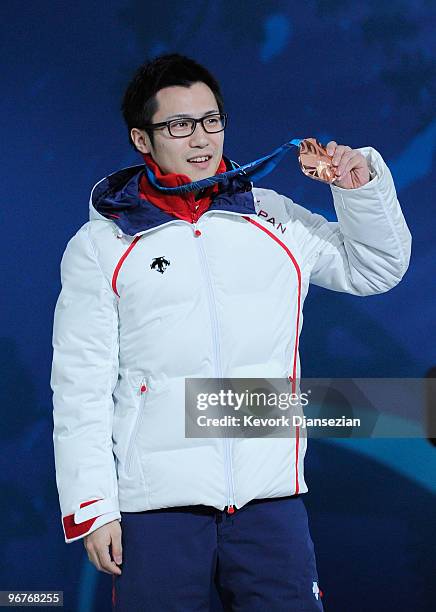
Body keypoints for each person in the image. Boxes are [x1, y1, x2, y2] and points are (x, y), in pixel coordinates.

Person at [50, 53, 412, 611]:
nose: (200, 139)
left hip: (271, 503)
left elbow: (375, 268)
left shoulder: (272, 216)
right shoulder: (103, 246)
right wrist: (92, 508)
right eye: (178, 125)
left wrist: (357, 185)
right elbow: (80, 386)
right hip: (157, 509)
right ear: (142, 139)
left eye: (211, 120)